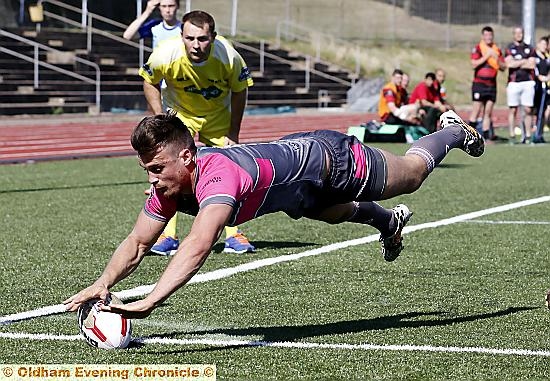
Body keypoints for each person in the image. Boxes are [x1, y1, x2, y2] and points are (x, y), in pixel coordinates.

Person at [63, 109, 484, 319]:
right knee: (333, 214)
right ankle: (388, 222)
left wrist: (148, 302)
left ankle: (452, 131)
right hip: (294, 188)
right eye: (147, 170)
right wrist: (102, 284)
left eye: (157, 168)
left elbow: (198, 244)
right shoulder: (170, 186)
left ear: (188, 157)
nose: (152, 179)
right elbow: (138, 242)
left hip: (328, 159)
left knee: (409, 176)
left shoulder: (219, 177)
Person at [139, 10, 256, 255]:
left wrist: (234, 133)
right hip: (178, 117)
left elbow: (240, 90)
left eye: (202, 39)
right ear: (181, 35)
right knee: (170, 171)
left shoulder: (229, 57)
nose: (196, 45)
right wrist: (159, 117)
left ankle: (235, 234)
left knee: (231, 173)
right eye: (190, 38)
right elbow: (149, 80)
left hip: (217, 118)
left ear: (213, 37)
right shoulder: (165, 54)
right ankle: (167, 235)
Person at [468, 26, 506, 141]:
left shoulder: (497, 50)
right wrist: (487, 56)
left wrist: (496, 58)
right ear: (482, 36)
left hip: (491, 85)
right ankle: (469, 136)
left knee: (488, 112)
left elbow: (503, 67)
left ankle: (485, 137)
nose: (488, 37)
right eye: (486, 35)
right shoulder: (478, 49)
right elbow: (474, 64)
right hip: (479, 84)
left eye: (490, 35)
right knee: (476, 110)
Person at [505, 26, 536, 143]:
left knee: (528, 109)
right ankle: (512, 135)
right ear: (513, 34)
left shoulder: (529, 48)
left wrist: (517, 62)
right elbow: (509, 64)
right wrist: (524, 61)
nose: (519, 35)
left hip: (528, 82)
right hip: (514, 82)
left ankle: (528, 135)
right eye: (516, 33)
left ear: (523, 34)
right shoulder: (509, 48)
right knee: (513, 109)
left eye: (521, 33)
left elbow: (532, 65)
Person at [533, 36, 549, 143]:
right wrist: (539, 77)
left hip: (545, 87)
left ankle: (539, 134)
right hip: (536, 86)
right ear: (538, 44)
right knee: (535, 111)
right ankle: (533, 133)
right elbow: (533, 69)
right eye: (542, 44)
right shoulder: (534, 56)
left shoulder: (546, 57)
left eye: (545, 44)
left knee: (542, 112)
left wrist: (547, 77)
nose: (544, 46)